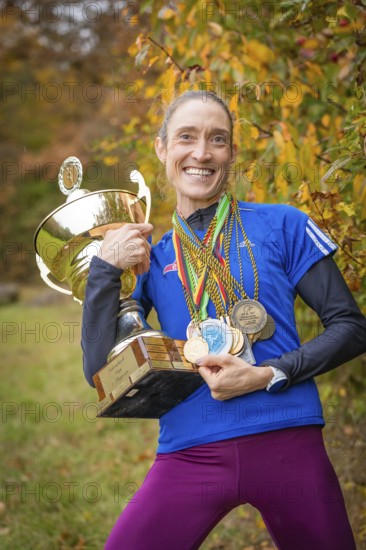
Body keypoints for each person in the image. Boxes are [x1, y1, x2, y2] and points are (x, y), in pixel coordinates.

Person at [81, 90, 366, 550]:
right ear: (162, 148)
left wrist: (268, 374)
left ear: (231, 152)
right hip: (190, 451)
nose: (201, 152)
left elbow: (351, 327)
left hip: (287, 438)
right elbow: (98, 373)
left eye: (217, 139)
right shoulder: (147, 261)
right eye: (186, 137)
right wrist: (103, 272)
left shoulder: (284, 225)